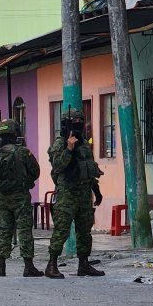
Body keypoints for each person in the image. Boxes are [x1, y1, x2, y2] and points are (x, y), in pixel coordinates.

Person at [47, 108, 106, 279]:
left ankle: (84, 265)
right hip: (67, 194)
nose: (80, 124)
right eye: (76, 122)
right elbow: (58, 166)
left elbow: (87, 167)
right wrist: (69, 149)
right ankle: (51, 265)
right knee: (61, 230)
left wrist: (96, 190)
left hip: (84, 194)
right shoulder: (60, 143)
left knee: (85, 231)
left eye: (82, 121)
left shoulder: (85, 143)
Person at [0, 119, 43, 278]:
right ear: (15, 132)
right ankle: (28, 266)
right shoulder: (22, 152)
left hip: (2, 198)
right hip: (20, 197)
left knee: (4, 231)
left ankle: (1, 266)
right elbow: (36, 172)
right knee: (24, 230)